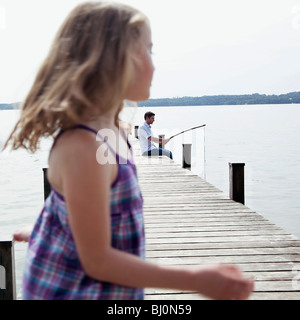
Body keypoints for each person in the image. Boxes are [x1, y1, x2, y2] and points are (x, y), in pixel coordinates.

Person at [4, 2, 254, 300]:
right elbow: (97, 260)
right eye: (149, 49)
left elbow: (95, 205)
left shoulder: (113, 130)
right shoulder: (85, 145)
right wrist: (196, 279)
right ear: (115, 60)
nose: (154, 62)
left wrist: (54, 229)